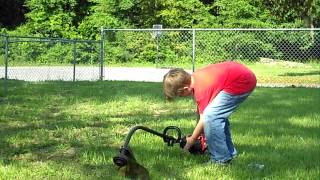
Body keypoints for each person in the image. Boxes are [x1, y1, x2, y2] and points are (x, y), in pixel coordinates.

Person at [163, 61, 256, 165]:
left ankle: (220, 159)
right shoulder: (196, 78)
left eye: (180, 95)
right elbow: (201, 110)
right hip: (238, 74)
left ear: (185, 89)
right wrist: (200, 134)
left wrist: (192, 139)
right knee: (215, 115)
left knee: (212, 117)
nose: (181, 97)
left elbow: (205, 118)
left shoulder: (202, 89)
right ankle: (229, 153)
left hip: (242, 81)